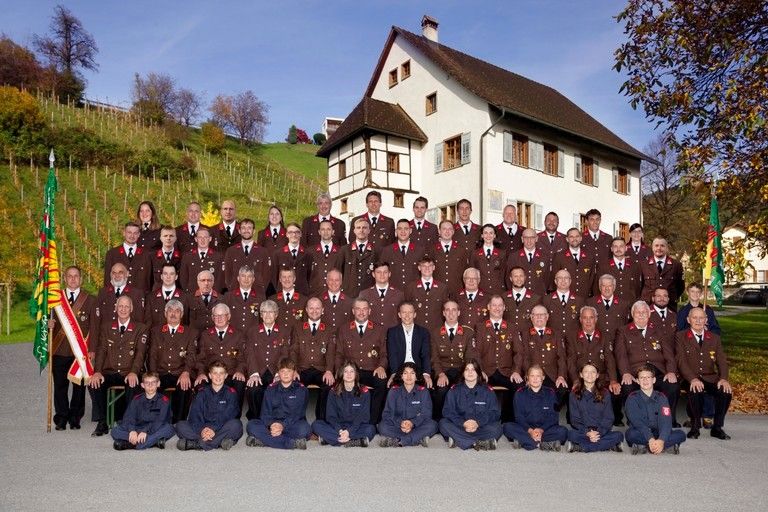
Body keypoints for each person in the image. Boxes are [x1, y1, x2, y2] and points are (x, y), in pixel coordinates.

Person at [89, 295, 149, 436]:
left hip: (130, 371)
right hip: (110, 371)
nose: (123, 309)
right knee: (93, 383)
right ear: (115, 308)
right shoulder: (106, 327)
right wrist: (97, 371)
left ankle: (128, 422)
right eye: (120, 306)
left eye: (126, 306)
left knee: (133, 384)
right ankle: (102, 421)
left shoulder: (141, 328)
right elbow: (102, 351)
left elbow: (141, 353)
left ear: (131, 309)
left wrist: (134, 371)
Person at [615, 300, 680, 426]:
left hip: (657, 371)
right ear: (632, 314)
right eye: (638, 312)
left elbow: (669, 354)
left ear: (649, 315)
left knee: (672, 386)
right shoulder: (623, 331)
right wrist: (626, 373)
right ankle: (634, 421)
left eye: (644, 312)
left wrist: (671, 371)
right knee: (628, 387)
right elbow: (621, 355)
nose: (641, 315)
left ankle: (668, 420)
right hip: (635, 372)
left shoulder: (658, 330)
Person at [50, 265, 96, 430]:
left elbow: (94, 327)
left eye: (76, 276)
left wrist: (91, 350)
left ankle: (75, 417)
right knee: (60, 386)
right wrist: (48, 325)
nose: (73, 279)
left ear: (81, 279)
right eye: (69, 276)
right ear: (64, 278)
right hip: (59, 350)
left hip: (80, 352)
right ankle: (61, 417)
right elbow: (45, 326)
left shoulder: (90, 300)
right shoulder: (54, 300)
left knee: (79, 387)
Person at [676, 308, 732, 440]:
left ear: (706, 320)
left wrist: (723, 379)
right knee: (695, 391)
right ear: (688, 320)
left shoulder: (714, 338)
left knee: (725, 392)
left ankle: (717, 428)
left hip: (710, 376)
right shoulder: (680, 336)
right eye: (694, 318)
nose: (698, 321)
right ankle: (695, 426)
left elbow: (722, 361)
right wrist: (693, 379)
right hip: (689, 377)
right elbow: (681, 361)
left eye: (701, 318)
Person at [334, 298, 388, 423]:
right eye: (358, 309)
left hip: (372, 370)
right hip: (351, 371)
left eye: (364, 309)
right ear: (353, 311)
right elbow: (339, 354)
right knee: (340, 384)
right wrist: (338, 370)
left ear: (369, 311)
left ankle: (373, 421)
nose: (361, 312)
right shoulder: (344, 329)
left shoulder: (379, 329)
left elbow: (385, 353)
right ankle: (345, 420)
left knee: (381, 382)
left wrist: (381, 366)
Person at [472, 295, 525, 421]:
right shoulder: (480, 327)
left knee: (519, 387)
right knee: (475, 386)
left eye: (500, 305)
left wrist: (516, 371)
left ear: (504, 308)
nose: (497, 308)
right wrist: (480, 371)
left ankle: (508, 420)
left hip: (506, 372)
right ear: (489, 307)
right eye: (494, 305)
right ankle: (480, 419)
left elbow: (519, 352)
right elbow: (476, 352)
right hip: (486, 371)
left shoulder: (512, 327)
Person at [148, 299, 198, 423]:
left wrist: (186, 372)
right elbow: (152, 355)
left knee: (185, 386)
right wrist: (153, 375)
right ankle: (156, 421)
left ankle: (179, 421)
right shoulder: (155, 331)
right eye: (170, 311)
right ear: (165, 314)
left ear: (181, 314)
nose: (173, 314)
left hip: (180, 372)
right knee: (151, 386)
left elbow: (192, 355)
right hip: (161, 372)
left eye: (177, 311)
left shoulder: (191, 332)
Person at [176, 360, 244, 451]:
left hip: (221, 427)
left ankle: (196, 444)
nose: (218, 376)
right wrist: (202, 430)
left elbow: (230, 415)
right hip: (203, 428)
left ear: (226, 376)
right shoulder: (201, 393)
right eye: (215, 373)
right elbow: (194, 416)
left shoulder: (231, 393)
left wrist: (213, 429)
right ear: (210, 375)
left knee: (237, 425)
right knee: (180, 425)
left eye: (221, 373)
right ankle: (219, 442)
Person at [246, 358, 310, 450]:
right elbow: (265, 413)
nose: (285, 374)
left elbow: (298, 415)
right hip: (272, 425)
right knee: (251, 425)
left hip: (291, 424)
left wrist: (282, 425)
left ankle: (263, 441)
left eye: (289, 371)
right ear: (278, 373)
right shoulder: (270, 389)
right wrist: (272, 424)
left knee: (304, 429)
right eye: (282, 371)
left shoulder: (301, 390)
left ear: (294, 373)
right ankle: (291, 443)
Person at [439, 358, 501, 450]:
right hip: (461, 426)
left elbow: (495, 413)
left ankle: (460, 440)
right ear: (463, 373)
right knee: (443, 424)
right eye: (467, 369)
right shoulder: (454, 390)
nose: (470, 372)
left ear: (478, 373)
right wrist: (463, 423)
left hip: (481, 427)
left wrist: (477, 423)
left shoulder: (488, 391)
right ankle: (478, 443)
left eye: (473, 370)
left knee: (497, 428)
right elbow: (447, 411)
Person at [193, 303, 247, 409]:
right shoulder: (205, 335)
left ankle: (234, 418)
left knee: (239, 383)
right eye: (216, 315)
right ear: (212, 318)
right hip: (211, 375)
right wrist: (201, 373)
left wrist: (240, 370)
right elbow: (200, 359)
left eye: (222, 315)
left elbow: (243, 358)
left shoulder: (238, 334)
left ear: (229, 316)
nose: (219, 318)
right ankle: (206, 416)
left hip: (231, 373)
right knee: (200, 385)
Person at [503, 365, 568, 451]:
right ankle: (541, 444)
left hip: (545, 430)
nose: (535, 379)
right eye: (532, 376)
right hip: (526, 429)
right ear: (527, 378)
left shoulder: (551, 394)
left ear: (543, 378)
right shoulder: (519, 394)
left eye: (538, 376)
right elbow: (519, 417)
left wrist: (541, 430)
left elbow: (553, 417)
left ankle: (525, 441)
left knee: (563, 431)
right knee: (507, 427)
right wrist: (530, 431)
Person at [290, 298, 335, 420]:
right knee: (294, 385)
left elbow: (331, 352)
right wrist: (293, 369)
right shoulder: (298, 327)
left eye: (317, 308)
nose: (314, 311)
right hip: (302, 369)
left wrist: (329, 370)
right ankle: (299, 421)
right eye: (311, 308)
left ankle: (320, 421)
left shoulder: (329, 329)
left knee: (328, 385)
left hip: (321, 370)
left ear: (322, 310)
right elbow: (293, 351)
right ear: (306, 310)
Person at [312, 361, 376, 447]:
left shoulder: (364, 392)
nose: (349, 374)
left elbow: (364, 417)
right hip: (338, 427)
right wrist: (340, 431)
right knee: (316, 425)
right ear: (341, 373)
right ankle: (354, 441)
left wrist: (349, 431)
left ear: (356, 374)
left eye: (351, 371)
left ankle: (331, 439)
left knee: (371, 429)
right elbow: (331, 417)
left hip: (356, 427)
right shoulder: (333, 392)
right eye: (346, 371)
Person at [244, 300, 290, 419]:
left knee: (279, 388)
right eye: (265, 312)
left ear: (276, 314)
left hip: (275, 370)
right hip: (258, 370)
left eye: (271, 312)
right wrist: (254, 373)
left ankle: (275, 418)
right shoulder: (252, 331)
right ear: (260, 314)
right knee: (253, 389)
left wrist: (279, 373)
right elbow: (249, 354)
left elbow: (284, 354)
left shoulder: (283, 331)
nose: (268, 315)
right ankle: (255, 419)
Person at [624, 365, 686, 454]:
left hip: (658, 432)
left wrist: (661, 439)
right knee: (630, 434)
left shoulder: (662, 397)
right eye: (642, 378)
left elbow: (666, 420)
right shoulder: (632, 398)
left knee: (681, 434)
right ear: (637, 381)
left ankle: (646, 446)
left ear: (654, 380)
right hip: (641, 431)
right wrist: (650, 438)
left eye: (648, 377)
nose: (645, 380)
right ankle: (665, 446)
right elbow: (637, 422)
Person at [565, 363, 623, 453]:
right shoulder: (574, 393)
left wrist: (598, 432)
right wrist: (587, 432)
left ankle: (582, 447)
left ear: (597, 375)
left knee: (619, 435)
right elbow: (574, 419)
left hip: (600, 431)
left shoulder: (605, 393)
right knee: (570, 434)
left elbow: (609, 418)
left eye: (593, 372)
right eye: (586, 372)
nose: (589, 375)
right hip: (583, 431)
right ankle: (605, 446)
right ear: (581, 375)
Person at [430, 300, 473, 419]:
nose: (451, 313)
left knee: (464, 389)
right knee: (441, 390)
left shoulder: (468, 333)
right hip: (443, 370)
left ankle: (463, 420)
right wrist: (440, 374)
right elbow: (434, 358)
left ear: (459, 312)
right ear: (443, 313)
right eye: (447, 310)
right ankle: (439, 420)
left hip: (461, 371)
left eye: (454, 310)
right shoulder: (435, 333)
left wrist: (466, 375)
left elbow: (469, 357)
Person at [378, 362, 438, 447]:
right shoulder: (393, 391)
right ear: (401, 376)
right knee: (382, 426)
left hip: (417, 426)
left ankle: (400, 441)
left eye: (412, 373)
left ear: (416, 376)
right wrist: (401, 423)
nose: (409, 376)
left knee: (433, 425)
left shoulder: (423, 392)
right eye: (405, 373)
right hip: (398, 426)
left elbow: (426, 414)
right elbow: (387, 414)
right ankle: (417, 439)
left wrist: (412, 423)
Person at [111, 371, 175, 450]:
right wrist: (132, 431)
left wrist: (145, 431)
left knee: (169, 429)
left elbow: (160, 421)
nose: (150, 385)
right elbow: (129, 417)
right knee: (115, 431)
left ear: (158, 384)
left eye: (153, 382)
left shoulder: (164, 401)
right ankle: (152, 442)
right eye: (147, 383)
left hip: (154, 428)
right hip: (138, 427)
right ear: (142, 385)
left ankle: (131, 444)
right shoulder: (136, 399)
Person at [385, 301, 432, 387]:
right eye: (404, 312)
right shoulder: (392, 332)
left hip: (418, 370)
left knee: (427, 387)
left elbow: (425, 354)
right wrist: (394, 373)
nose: (407, 316)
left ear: (414, 314)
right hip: (400, 370)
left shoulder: (423, 332)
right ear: (399, 314)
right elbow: (392, 354)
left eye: (410, 312)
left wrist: (426, 374)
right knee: (393, 388)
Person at [223, 217, 271, 293]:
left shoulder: (263, 251)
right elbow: (227, 275)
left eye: (249, 228)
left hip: (257, 294)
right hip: (235, 294)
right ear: (239, 231)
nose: (246, 230)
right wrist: (232, 291)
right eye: (243, 228)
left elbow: (266, 276)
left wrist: (260, 292)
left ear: (254, 231)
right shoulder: (231, 251)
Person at [404, 255, 450, 334]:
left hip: (436, 330)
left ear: (434, 267)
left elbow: (445, 309)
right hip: (416, 330)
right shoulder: (411, 287)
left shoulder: (442, 288)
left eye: (430, 266)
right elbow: (407, 308)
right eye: (424, 266)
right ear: (419, 268)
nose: (427, 268)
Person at [103, 222, 152, 292]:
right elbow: (107, 280)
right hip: (119, 299)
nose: (132, 236)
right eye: (129, 232)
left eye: (135, 233)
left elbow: (149, 280)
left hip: (140, 298)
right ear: (124, 233)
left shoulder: (146, 254)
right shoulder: (112, 254)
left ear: (139, 235)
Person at [378, 219, 425, 290]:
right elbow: (381, 273)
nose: (403, 231)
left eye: (406, 229)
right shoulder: (387, 250)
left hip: (414, 292)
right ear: (396, 231)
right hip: (393, 293)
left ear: (410, 231)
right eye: (400, 229)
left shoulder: (420, 250)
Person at [359, 261, 404, 330]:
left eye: (385, 272)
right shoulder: (364, 294)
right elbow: (360, 317)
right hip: (371, 335)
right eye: (378, 272)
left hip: (392, 335)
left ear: (389, 274)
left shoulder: (399, 294)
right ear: (373, 274)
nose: (382, 275)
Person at [551, 228, 595, 298]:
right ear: (567, 239)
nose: (574, 239)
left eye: (577, 236)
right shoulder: (559, 256)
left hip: (584, 297)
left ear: (581, 238)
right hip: (566, 297)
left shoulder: (589, 256)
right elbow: (554, 277)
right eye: (571, 237)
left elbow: (592, 277)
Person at [429, 219, 470, 297]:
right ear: (439, 231)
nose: (447, 231)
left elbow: (465, 271)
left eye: (450, 229)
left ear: (453, 231)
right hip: (437, 291)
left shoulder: (461, 250)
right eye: (444, 229)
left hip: (457, 292)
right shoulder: (432, 250)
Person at [339, 217, 378, 297]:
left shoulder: (376, 251)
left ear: (369, 231)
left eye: (364, 228)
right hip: (348, 294)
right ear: (354, 231)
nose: (361, 230)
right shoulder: (345, 250)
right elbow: (338, 272)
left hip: (369, 295)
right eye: (358, 228)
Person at [178, 226, 225, 292]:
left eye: (205, 237)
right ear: (196, 239)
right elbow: (183, 278)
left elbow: (220, 279)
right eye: (200, 237)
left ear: (210, 239)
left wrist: (214, 293)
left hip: (212, 296)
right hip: (192, 295)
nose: (202, 240)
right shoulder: (187, 256)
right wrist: (188, 292)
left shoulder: (218, 256)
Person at [640, 237, 685, 305]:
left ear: (666, 248)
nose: (659, 248)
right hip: (648, 306)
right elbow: (638, 287)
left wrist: (670, 298)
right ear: (652, 248)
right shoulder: (643, 265)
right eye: (656, 245)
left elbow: (680, 287)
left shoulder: (676, 265)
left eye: (662, 246)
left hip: (669, 306)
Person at [143, 264, 190, 328]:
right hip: (156, 337)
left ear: (176, 277)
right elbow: (148, 323)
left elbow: (187, 323)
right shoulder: (151, 297)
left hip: (178, 337)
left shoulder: (185, 297)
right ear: (161, 276)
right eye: (165, 274)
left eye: (171, 274)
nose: (168, 277)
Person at [595, 237, 642, 301]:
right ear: (611, 249)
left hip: (630, 306)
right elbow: (597, 289)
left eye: (621, 246)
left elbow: (637, 288)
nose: (618, 249)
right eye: (615, 246)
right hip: (611, 307)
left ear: (626, 248)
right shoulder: (603, 266)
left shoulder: (634, 266)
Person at [272, 223, 312, 295]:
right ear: (287, 234)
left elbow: (309, 276)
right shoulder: (278, 254)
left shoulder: (308, 254)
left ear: (301, 234)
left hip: (302, 294)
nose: (294, 235)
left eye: (297, 232)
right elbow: (274, 277)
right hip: (282, 294)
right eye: (290, 232)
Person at [223, 265, 264, 332]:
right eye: (243, 276)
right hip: (233, 337)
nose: (246, 279)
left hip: (253, 337)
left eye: (249, 276)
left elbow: (262, 321)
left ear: (253, 279)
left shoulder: (260, 298)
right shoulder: (228, 297)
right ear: (238, 278)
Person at [308, 220, 344, 296]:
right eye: (323, 229)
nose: (326, 232)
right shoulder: (310, 251)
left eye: (328, 229)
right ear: (319, 232)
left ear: (333, 232)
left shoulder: (341, 251)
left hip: (334, 293)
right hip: (315, 294)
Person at [469, 224, 507, 295]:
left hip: (498, 290)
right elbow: (472, 272)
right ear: (482, 236)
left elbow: (504, 273)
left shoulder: (502, 253)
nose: (488, 236)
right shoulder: (475, 253)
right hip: (481, 290)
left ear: (495, 235)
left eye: (491, 233)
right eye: (485, 233)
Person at [502, 265, 542, 332]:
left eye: (521, 276)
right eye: (515, 276)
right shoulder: (503, 297)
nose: (519, 279)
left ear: (525, 278)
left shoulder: (535, 298)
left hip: (528, 337)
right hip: (508, 336)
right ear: (511, 279)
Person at [317, 269, 352, 333]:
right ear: (327, 281)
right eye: (331, 280)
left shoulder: (349, 302)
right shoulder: (319, 301)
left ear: (341, 282)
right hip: (324, 340)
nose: (334, 283)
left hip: (343, 340)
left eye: (337, 280)